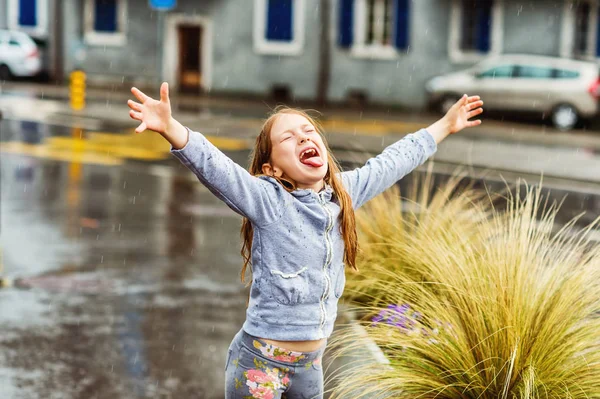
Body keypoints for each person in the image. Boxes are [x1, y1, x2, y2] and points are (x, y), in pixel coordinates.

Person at [127, 83, 483, 399]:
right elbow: (219, 170)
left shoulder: (343, 194)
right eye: (288, 138)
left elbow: (394, 160)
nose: (303, 138)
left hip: (310, 368)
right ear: (272, 169)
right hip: (259, 366)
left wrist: (445, 125)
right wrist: (172, 128)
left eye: (308, 131)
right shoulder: (268, 201)